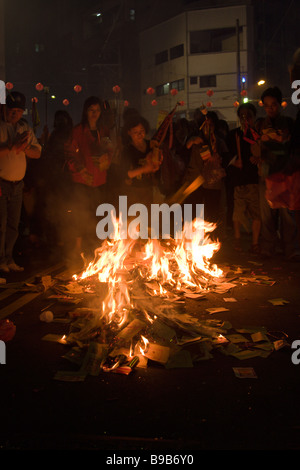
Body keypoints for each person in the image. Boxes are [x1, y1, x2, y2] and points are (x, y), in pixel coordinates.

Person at [67, 96, 114, 258]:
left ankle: (99, 247)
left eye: (97, 110)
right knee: (81, 214)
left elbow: (110, 149)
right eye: (91, 110)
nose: (94, 114)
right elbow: (70, 154)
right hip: (82, 181)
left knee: (99, 214)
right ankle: (77, 248)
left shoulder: (104, 131)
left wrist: (107, 158)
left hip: (100, 180)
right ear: (85, 111)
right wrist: (80, 169)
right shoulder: (77, 131)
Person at [0, 91, 41, 272]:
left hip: (18, 183)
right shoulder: (0, 126)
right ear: (4, 109)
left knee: (13, 224)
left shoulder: (24, 127)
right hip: (1, 181)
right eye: (11, 110)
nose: (14, 113)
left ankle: (9, 258)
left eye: (18, 110)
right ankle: (1, 260)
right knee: (1, 223)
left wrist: (24, 148)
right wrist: (11, 146)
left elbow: (38, 152)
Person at [255, 86, 298, 260]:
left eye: (273, 104)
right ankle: (268, 247)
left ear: (280, 104)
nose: (270, 108)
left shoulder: (288, 123)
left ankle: (291, 249)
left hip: (285, 173)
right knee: (267, 215)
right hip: (266, 173)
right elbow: (255, 147)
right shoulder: (260, 124)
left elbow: (294, 147)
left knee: (287, 214)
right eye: (266, 105)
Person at [183, 110, 228, 238]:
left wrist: (218, 160)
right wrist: (191, 142)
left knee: (212, 211)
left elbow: (227, 160)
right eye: (205, 124)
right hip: (195, 180)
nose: (208, 127)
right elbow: (183, 153)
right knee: (192, 211)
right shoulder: (194, 139)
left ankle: (211, 239)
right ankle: (190, 238)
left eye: (211, 125)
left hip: (212, 183)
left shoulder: (219, 141)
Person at [120, 114, 162, 236]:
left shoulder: (151, 146)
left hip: (149, 190)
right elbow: (126, 174)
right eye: (135, 132)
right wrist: (144, 169)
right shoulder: (127, 151)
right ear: (129, 132)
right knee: (134, 223)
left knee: (148, 222)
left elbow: (157, 164)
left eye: (142, 131)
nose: (139, 135)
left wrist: (156, 165)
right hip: (133, 191)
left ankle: (148, 250)